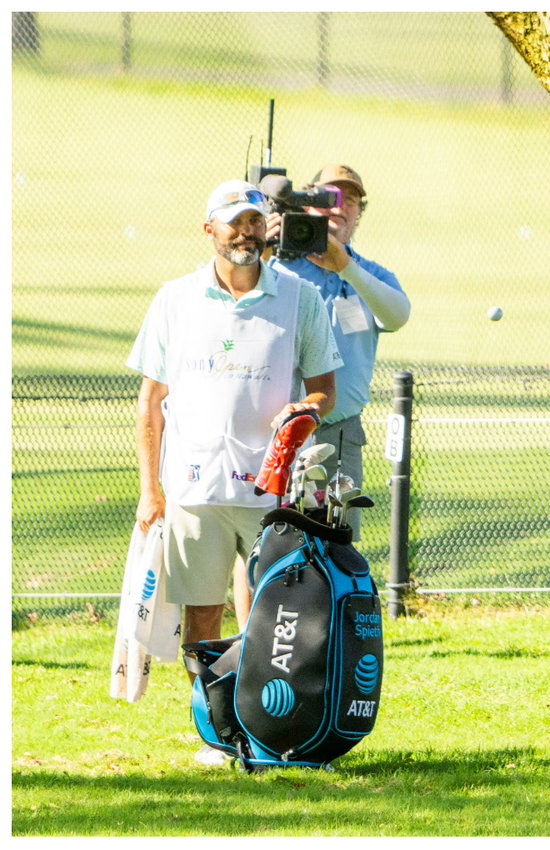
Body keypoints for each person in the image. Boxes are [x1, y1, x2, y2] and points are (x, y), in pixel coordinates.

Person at [128, 179, 342, 761]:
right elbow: (151, 401)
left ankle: (265, 723)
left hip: (270, 488)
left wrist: (306, 410)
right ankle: (216, 731)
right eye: (233, 221)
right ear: (209, 230)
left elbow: (325, 388)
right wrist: (151, 490)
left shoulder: (299, 297)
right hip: (194, 486)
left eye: (254, 220)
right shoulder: (175, 299)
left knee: (271, 614)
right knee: (202, 612)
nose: (245, 231)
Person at [265, 163, 409, 549]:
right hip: (275, 430)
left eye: (351, 200)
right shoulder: (275, 268)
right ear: (307, 204)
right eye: (328, 197)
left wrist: (344, 265)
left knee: (336, 547)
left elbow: (398, 315)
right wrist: (263, 250)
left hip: (341, 434)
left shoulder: (368, 274)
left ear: (359, 214)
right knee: (270, 545)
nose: (339, 206)